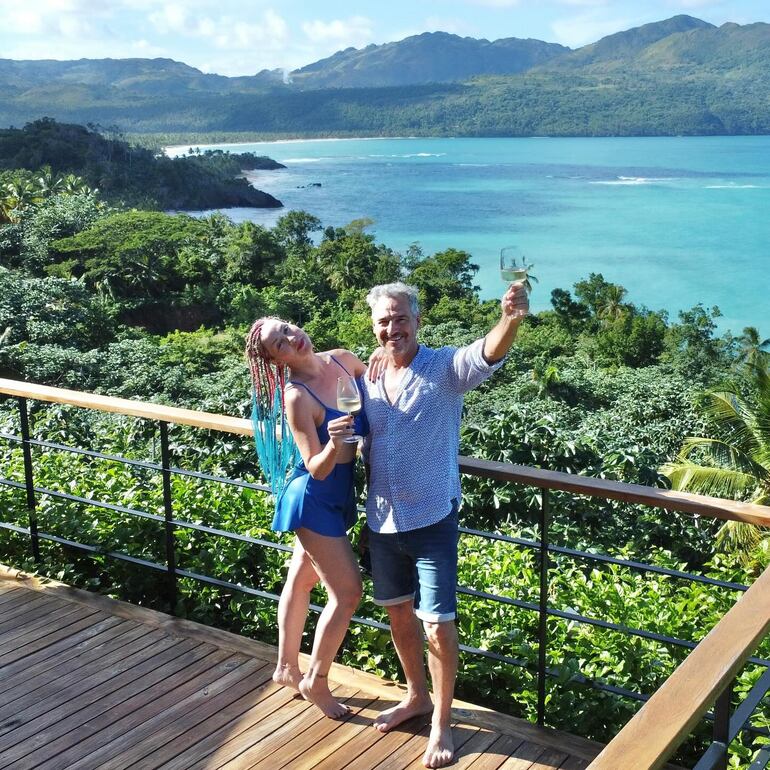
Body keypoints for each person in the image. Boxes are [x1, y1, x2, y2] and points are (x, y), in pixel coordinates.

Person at [360, 280, 528, 768]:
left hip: (432, 516)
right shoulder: (366, 375)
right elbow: (319, 361)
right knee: (397, 615)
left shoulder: (443, 368)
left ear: (418, 320)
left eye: (400, 318)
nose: (392, 328)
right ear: (375, 326)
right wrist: (360, 352)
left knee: (437, 624)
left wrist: (510, 319)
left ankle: (441, 723)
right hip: (382, 518)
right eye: (383, 321)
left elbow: (486, 354)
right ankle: (416, 697)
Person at [245, 316, 369, 719]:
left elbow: (385, 394)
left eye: (287, 328)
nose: (291, 338)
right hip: (313, 498)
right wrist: (334, 443)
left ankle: (285, 667)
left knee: (300, 581)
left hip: (338, 496)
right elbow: (314, 466)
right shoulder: (296, 396)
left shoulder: (344, 361)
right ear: (276, 361)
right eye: (279, 343)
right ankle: (315, 679)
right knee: (348, 593)